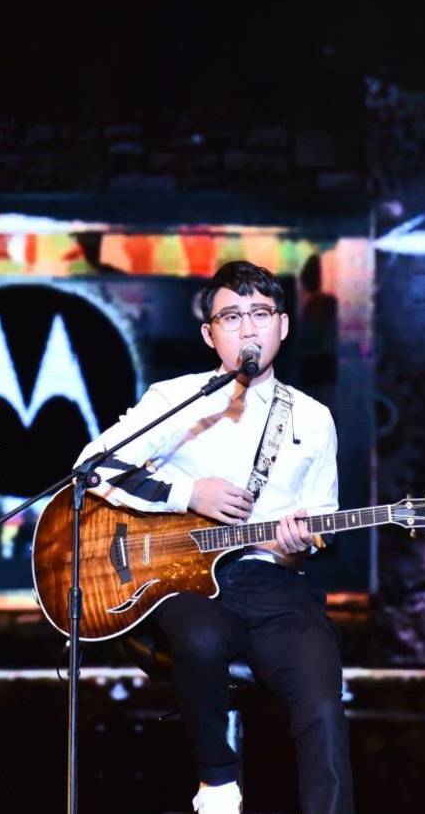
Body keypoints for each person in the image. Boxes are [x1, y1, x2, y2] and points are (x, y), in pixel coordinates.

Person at [75, 261, 354, 814]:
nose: (248, 329)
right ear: (209, 334)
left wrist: (302, 539)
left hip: (275, 586)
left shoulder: (314, 418)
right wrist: (188, 494)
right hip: (184, 580)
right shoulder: (176, 399)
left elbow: (323, 518)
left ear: (283, 326)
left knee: (323, 705)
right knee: (200, 640)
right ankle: (218, 781)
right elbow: (92, 468)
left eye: (261, 314)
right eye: (231, 317)